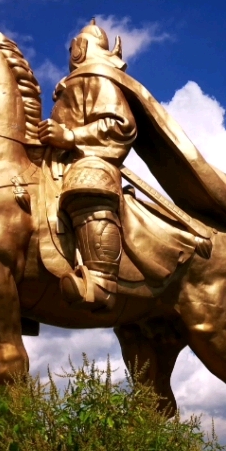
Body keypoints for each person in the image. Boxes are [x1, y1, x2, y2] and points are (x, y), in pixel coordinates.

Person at [37, 19, 134, 311]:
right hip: (56, 161)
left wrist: (71, 136)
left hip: (91, 158)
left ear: (82, 48)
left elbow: (121, 125)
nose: (72, 52)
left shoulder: (96, 76)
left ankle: (102, 282)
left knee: (87, 180)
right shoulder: (70, 85)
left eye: (74, 46)